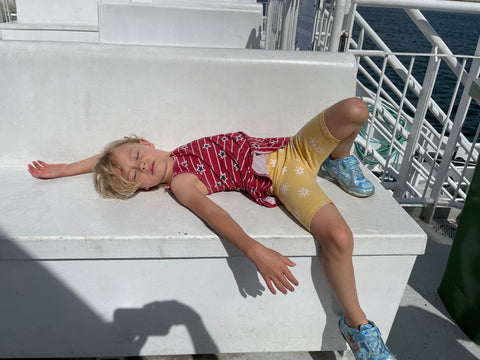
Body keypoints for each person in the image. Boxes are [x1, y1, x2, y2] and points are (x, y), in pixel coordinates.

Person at [28, 97, 395, 360]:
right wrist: (255, 250)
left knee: (355, 109)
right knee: (339, 238)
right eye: (136, 177)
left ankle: (338, 161)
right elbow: (214, 214)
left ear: (146, 144)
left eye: (139, 157)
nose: (142, 168)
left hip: (294, 146)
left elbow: (110, 156)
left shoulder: (169, 152)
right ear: (142, 188)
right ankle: (358, 326)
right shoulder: (183, 182)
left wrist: (63, 168)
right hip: (287, 174)